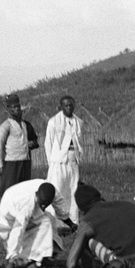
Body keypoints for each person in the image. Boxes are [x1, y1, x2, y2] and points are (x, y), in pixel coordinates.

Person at [0, 180, 65, 268]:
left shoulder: (47, 190)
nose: (43, 207)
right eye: (42, 204)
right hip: (7, 220)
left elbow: (60, 206)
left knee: (46, 219)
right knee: (43, 223)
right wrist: (11, 258)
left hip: (11, 205)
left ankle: (38, 257)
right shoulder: (27, 205)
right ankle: (28, 260)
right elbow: (18, 229)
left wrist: (70, 223)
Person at [43, 95, 84, 224]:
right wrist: (52, 162)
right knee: (56, 191)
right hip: (58, 163)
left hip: (72, 163)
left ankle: (73, 222)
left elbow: (78, 142)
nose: (69, 108)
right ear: (61, 107)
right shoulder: (53, 122)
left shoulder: (78, 122)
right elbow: (48, 144)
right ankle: (55, 222)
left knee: (73, 191)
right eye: (66, 105)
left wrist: (77, 159)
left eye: (71, 105)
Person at [0, 94, 39, 197]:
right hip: (11, 164)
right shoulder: (6, 126)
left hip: (25, 162)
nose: (17, 109)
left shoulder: (26, 125)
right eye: (13, 107)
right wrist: (1, 166)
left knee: (25, 192)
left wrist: (32, 143)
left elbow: (35, 140)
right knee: (10, 193)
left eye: (18, 106)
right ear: (8, 109)